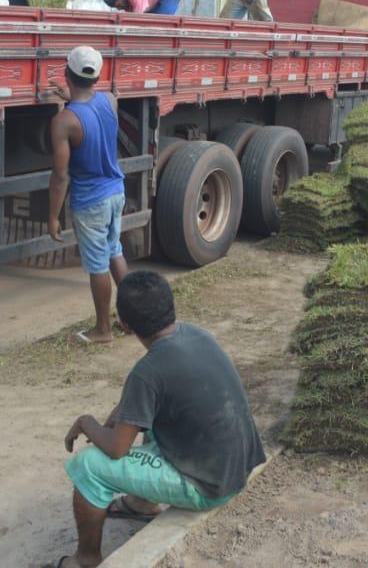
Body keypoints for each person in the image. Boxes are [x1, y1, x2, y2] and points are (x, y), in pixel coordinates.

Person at [56, 271, 267, 568]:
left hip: (208, 487)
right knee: (150, 413)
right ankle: (139, 503)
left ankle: (86, 559)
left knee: (88, 465)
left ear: (125, 325)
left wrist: (85, 422)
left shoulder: (148, 371)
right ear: (172, 307)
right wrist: (119, 414)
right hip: (234, 467)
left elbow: (117, 448)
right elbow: (141, 401)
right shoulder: (195, 334)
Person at [49, 46, 127, 345]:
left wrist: (52, 216)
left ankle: (103, 330)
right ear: (97, 76)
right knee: (114, 252)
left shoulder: (63, 122)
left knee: (97, 264)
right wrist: (69, 97)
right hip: (116, 191)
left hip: (90, 200)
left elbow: (60, 176)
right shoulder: (110, 101)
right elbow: (90, 109)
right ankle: (133, 317)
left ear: (67, 73)